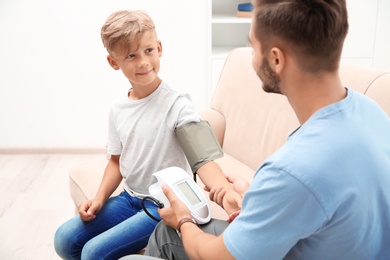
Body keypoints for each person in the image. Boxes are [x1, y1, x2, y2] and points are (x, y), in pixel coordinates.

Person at [126, 0, 390, 259]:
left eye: (252, 46)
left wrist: (183, 219)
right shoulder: (371, 111)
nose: (251, 57)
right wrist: (259, 198)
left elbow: (216, 256)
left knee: (165, 234)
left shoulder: (292, 170)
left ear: (276, 59)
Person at [53, 10, 241, 259]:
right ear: (113, 62)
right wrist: (99, 198)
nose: (143, 62)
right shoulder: (118, 109)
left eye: (148, 50)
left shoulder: (178, 104)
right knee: (64, 240)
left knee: (93, 253)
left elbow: (203, 159)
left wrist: (226, 192)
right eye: (131, 55)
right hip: (129, 198)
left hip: (164, 205)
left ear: (159, 48)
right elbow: (116, 162)